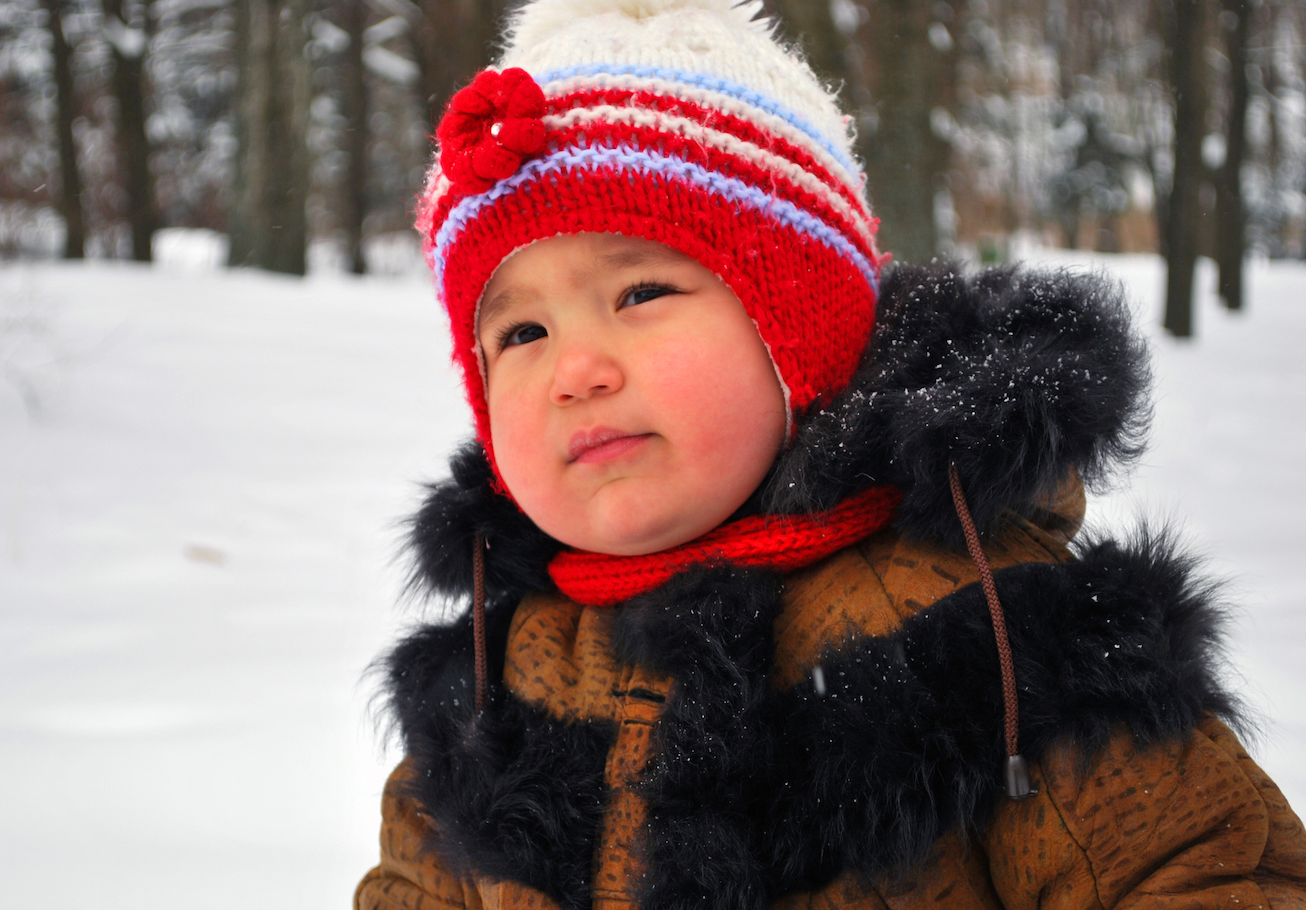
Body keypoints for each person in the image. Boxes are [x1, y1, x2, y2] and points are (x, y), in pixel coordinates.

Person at [356, 1, 1306, 908]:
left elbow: (1201, 869)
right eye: (520, 333)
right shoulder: (490, 680)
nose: (576, 370)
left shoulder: (985, 626)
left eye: (641, 291)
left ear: (795, 330)